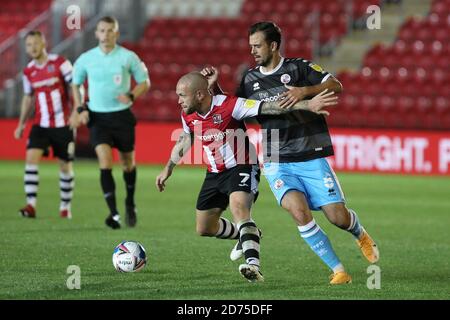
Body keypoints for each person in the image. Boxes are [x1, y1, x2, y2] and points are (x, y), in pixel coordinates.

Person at [203, 21, 379, 285]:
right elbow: (235, 110)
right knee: (298, 212)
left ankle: (359, 233)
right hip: (276, 157)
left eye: (257, 45)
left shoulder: (299, 67)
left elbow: (336, 85)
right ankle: (339, 270)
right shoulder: (250, 79)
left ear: (273, 45)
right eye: (250, 46)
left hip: (310, 153)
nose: (252, 51)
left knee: (337, 217)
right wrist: (214, 89)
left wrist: (304, 92)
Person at [155, 72, 337, 282]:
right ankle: (249, 233)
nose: (178, 100)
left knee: (239, 208)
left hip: (242, 165)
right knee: (204, 228)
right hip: (214, 173)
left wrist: (306, 105)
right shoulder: (187, 113)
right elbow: (187, 137)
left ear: (198, 94)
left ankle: (253, 266)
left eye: (181, 95)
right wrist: (168, 167)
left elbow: (270, 107)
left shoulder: (231, 105)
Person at [71, 16, 150, 229]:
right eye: (102, 30)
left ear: (116, 33)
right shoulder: (86, 59)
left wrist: (132, 95)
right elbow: (76, 84)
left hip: (122, 116)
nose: (105, 34)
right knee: (105, 163)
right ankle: (113, 213)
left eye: (110, 30)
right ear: (96, 33)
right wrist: (80, 108)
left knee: (127, 164)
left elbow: (145, 82)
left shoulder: (128, 57)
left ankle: (130, 203)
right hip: (98, 118)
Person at [14, 30, 75, 219]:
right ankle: (31, 205)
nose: (32, 47)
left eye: (35, 43)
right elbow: (28, 97)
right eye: (29, 45)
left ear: (43, 43)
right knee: (31, 160)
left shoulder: (60, 63)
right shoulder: (28, 71)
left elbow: (75, 87)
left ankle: (65, 206)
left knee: (65, 166)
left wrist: (76, 111)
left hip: (62, 124)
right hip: (40, 124)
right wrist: (21, 124)